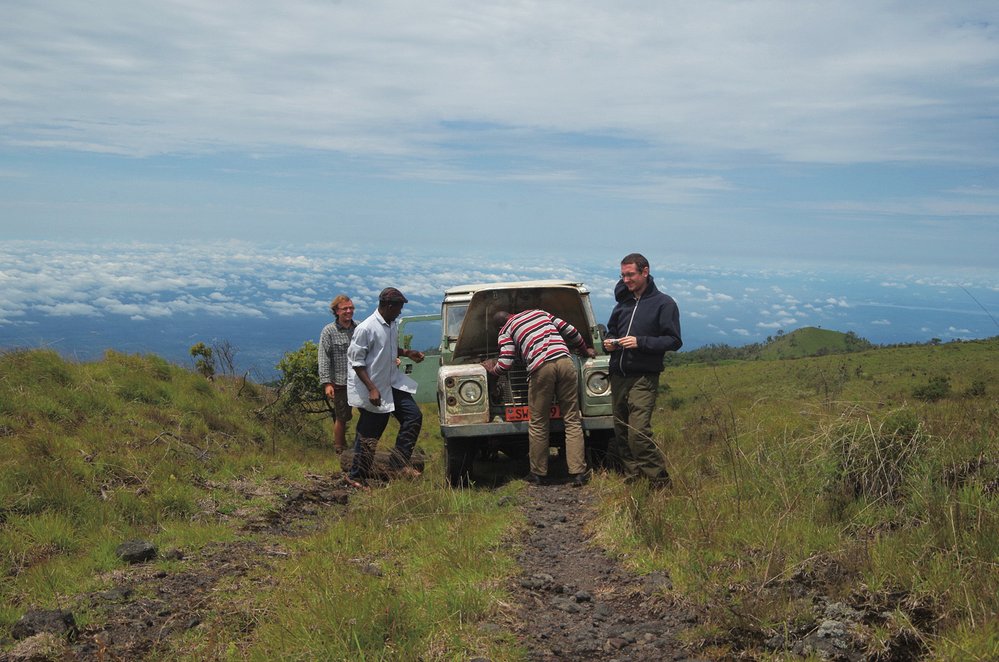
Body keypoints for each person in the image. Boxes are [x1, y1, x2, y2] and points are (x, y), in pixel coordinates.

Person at [482, 309, 596, 487]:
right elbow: (571, 331)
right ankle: (578, 472)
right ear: (511, 314)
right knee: (572, 420)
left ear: (499, 325)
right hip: (566, 362)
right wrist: (585, 349)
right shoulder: (539, 313)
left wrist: (493, 372)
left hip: (541, 367)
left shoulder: (506, 330)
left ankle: (538, 473)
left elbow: (506, 362)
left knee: (538, 422)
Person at [602, 253, 682, 488]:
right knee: (622, 431)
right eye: (623, 275)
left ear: (645, 272)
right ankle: (635, 478)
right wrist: (610, 341)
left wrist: (641, 342)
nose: (626, 280)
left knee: (638, 432)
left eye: (631, 274)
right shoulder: (623, 304)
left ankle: (659, 481)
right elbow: (612, 329)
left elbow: (674, 341)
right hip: (618, 374)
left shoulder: (664, 304)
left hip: (644, 376)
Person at [345, 287, 425, 487]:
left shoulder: (391, 324)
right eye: (398, 308)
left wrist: (407, 352)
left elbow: (385, 348)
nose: (400, 312)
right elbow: (357, 362)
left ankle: (398, 465)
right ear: (388, 306)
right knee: (370, 433)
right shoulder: (366, 328)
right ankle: (355, 475)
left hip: (390, 383)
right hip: (373, 388)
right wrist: (372, 388)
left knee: (413, 416)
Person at [318, 294, 356, 453]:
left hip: (361, 381)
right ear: (336, 311)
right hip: (340, 382)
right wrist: (327, 383)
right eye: (345, 308)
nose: (349, 311)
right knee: (342, 417)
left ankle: (361, 446)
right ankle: (339, 449)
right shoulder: (328, 331)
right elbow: (323, 357)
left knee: (369, 414)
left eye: (351, 308)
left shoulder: (359, 328)